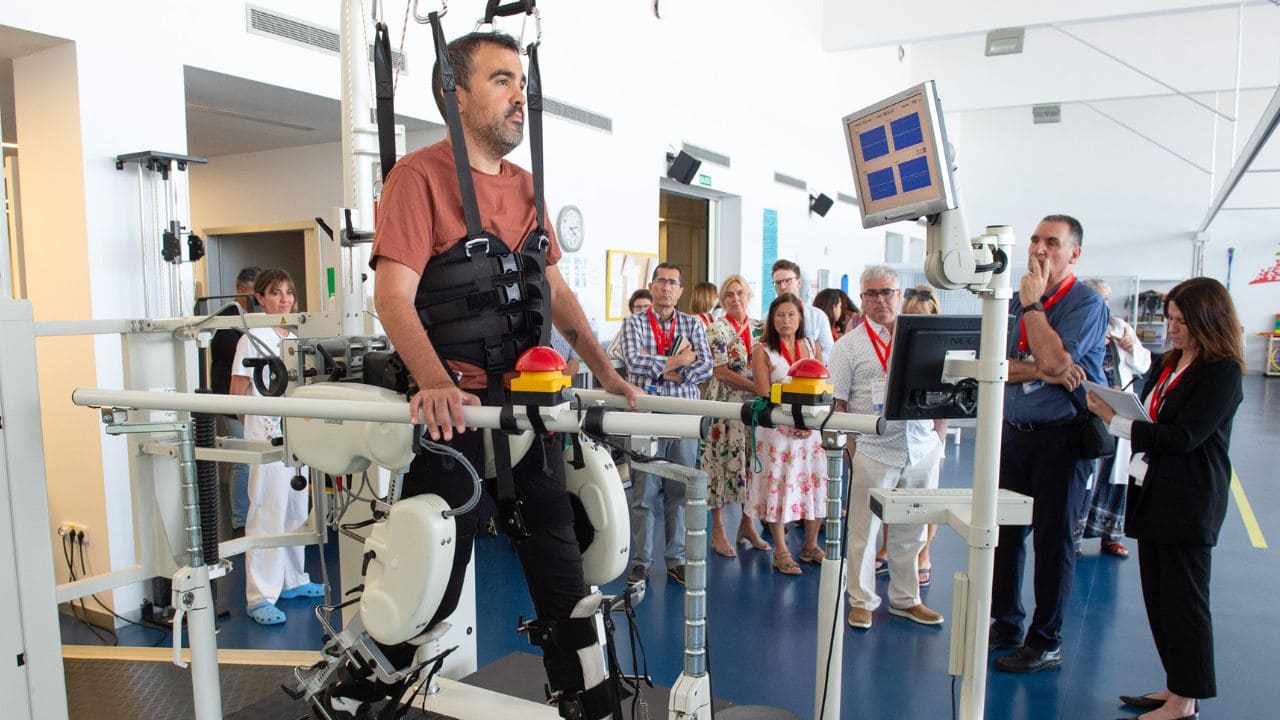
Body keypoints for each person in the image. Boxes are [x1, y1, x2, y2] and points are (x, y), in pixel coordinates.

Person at [337, 30, 640, 720]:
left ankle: (594, 705)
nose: (518, 96)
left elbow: (556, 295)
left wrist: (604, 370)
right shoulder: (418, 177)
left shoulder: (529, 189)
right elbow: (392, 294)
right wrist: (434, 382)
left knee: (568, 585)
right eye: (502, 79)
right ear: (456, 93)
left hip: (534, 420)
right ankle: (360, 699)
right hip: (459, 425)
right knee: (427, 586)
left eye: (522, 83)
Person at [1086, 277, 1242, 720]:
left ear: (1207, 321)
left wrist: (1116, 420)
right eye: (1170, 318)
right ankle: (1176, 686)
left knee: (1185, 603)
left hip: (1189, 501)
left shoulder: (1222, 371)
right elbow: (1152, 409)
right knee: (1159, 598)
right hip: (1154, 494)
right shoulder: (1172, 362)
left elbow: (1184, 436)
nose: (1171, 328)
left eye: (1181, 321)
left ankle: (1185, 702)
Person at [990, 214, 1108, 673]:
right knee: (1004, 535)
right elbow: (1000, 364)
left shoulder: (1084, 303)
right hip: (1015, 435)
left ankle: (1046, 641)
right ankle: (1006, 622)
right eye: (1035, 240)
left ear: (1073, 252)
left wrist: (1035, 309)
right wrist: (1040, 368)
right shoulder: (1015, 300)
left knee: (1054, 541)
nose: (1039, 249)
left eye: (1052, 242)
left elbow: (1059, 359)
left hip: (1062, 439)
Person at [828, 267, 944, 628]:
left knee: (914, 527)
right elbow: (839, 405)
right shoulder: (848, 346)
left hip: (921, 445)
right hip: (874, 450)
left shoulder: (922, 339)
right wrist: (851, 452)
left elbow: (944, 391)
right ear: (861, 299)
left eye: (887, 292)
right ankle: (862, 598)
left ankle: (905, 598)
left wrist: (939, 437)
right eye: (872, 294)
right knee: (864, 530)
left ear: (900, 294)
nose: (881, 300)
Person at [230, 268, 323, 625]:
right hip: (266, 435)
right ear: (260, 297)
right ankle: (260, 595)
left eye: (289, 292)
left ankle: (293, 579)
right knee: (267, 511)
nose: (284, 298)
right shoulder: (252, 337)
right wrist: (256, 426)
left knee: (296, 507)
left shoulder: (295, 335)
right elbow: (237, 391)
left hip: (297, 434)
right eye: (275, 293)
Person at [620, 263, 712, 586]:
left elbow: (706, 367)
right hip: (645, 416)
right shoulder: (633, 323)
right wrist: (680, 360)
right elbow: (634, 361)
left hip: (683, 418)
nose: (667, 288)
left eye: (673, 282)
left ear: (681, 290)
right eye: (661, 281)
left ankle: (676, 559)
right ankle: (641, 561)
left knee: (680, 492)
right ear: (652, 285)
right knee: (643, 492)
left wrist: (674, 369)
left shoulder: (692, 324)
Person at [746, 293, 828, 576]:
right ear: (772, 318)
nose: (786, 320)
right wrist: (793, 419)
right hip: (778, 430)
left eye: (791, 314)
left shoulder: (811, 345)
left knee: (814, 483)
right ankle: (781, 549)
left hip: (810, 431)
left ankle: (810, 545)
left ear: (801, 317)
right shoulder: (763, 349)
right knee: (779, 485)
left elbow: (821, 383)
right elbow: (763, 391)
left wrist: (807, 422)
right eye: (780, 315)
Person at [872, 283, 946, 588]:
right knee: (895, 498)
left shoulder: (942, 345)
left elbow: (947, 399)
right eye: (912, 315)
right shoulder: (898, 344)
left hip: (928, 434)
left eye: (923, 315)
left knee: (926, 502)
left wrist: (940, 438)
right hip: (899, 432)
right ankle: (888, 548)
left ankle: (924, 555)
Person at [1077, 278, 1151, 558]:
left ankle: (1111, 536)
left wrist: (1132, 346)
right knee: (1090, 473)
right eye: (1097, 298)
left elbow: (1142, 365)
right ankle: (1076, 535)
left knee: (1115, 476)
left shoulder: (1121, 328)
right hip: (1091, 407)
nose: (1103, 305)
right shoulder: (1080, 326)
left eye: (1106, 299)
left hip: (1120, 408)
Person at [699, 274, 769, 557]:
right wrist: (759, 387)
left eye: (740, 293)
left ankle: (747, 524)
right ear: (723, 300)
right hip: (725, 406)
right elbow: (721, 370)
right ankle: (717, 528)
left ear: (749, 295)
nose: (735, 298)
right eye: (729, 295)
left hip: (755, 409)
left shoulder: (761, 329)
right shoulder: (717, 330)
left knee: (752, 463)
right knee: (720, 462)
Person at [210, 266, 259, 534]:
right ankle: (240, 522)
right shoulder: (225, 322)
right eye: (254, 293)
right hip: (233, 401)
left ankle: (254, 515)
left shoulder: (258, 320)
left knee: (257, 460)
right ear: (241, 291)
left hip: (256, 402)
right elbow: (235, 362)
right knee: (242, 460)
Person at [771, 259, 835, 358]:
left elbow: (829, 351)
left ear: (799, 283)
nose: (783, 286)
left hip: (811, 370)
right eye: (778, 283)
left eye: (787, 281)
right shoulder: (768, 317)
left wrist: (805, 363)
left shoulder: (818, 316)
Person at [606, 289, 652, 364]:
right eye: (638, 307)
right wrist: (633, 356)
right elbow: (611, 351)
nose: (643, 310)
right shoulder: (629, 327)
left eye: (647, 306)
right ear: (632, 310)